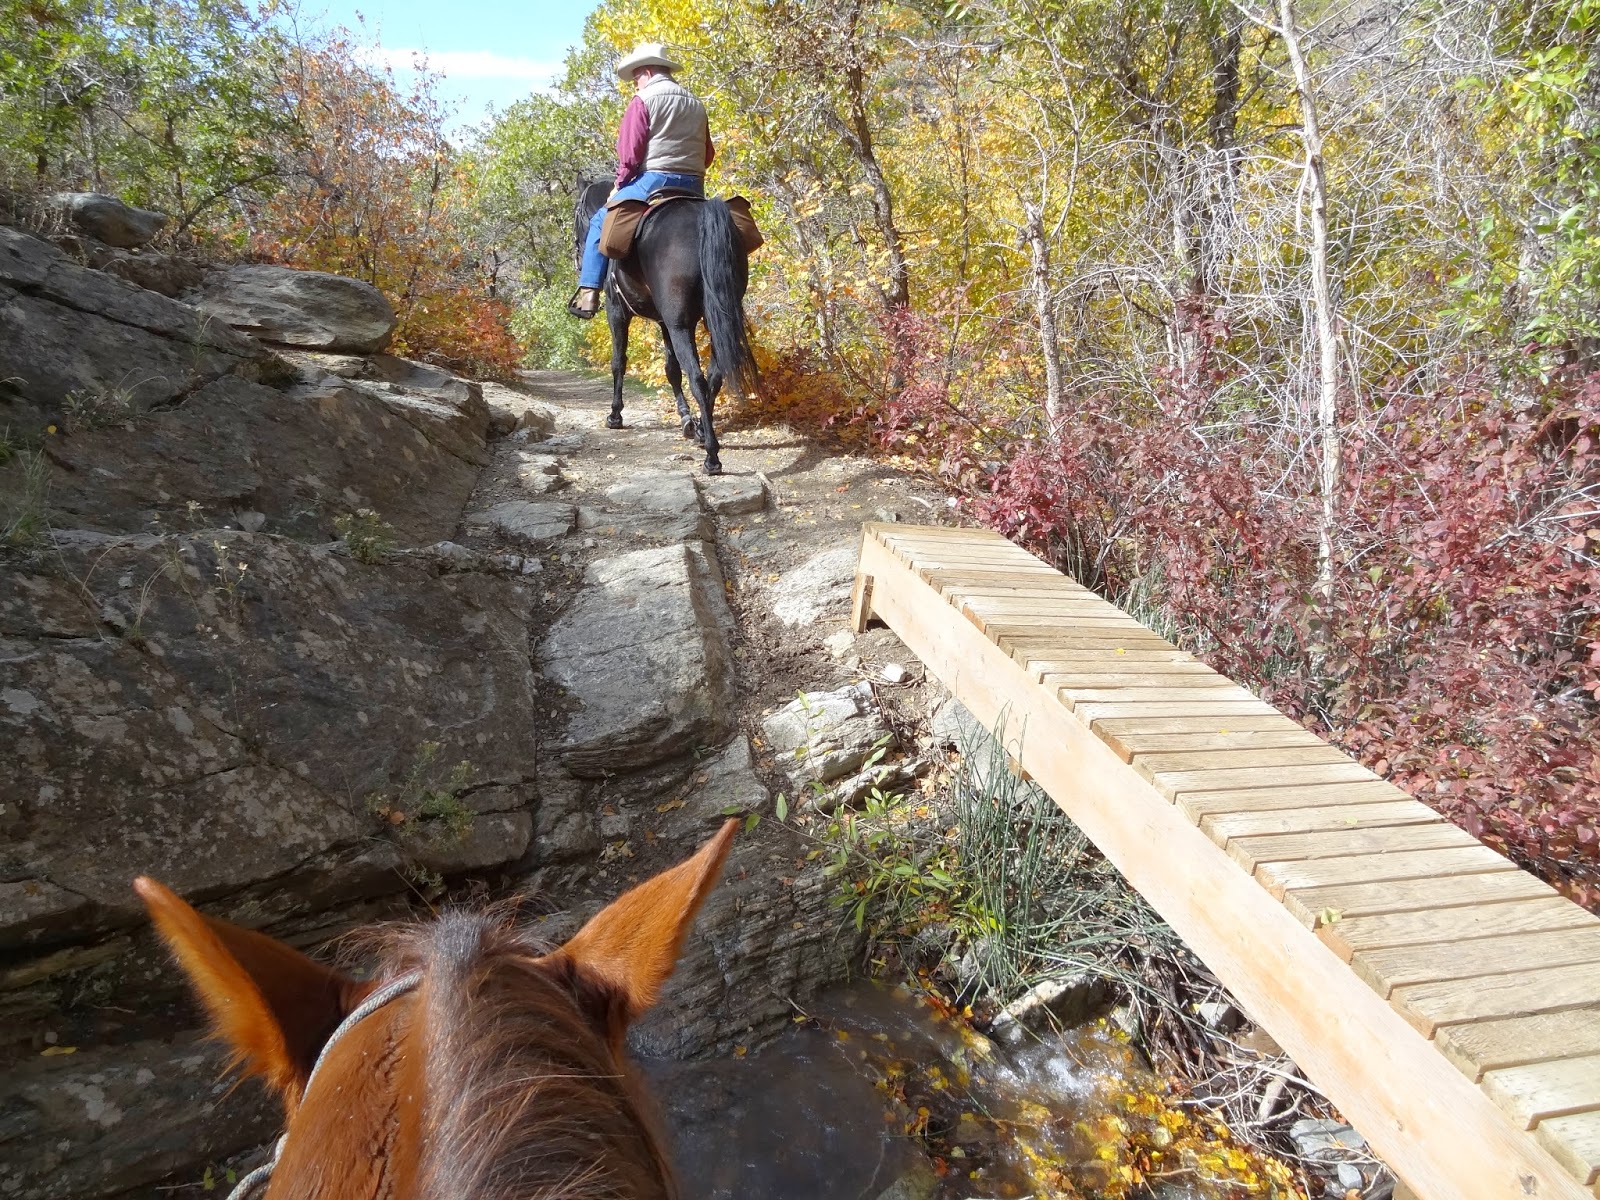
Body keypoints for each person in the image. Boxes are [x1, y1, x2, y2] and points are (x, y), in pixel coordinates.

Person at [569, 43, 715, 319]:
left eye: (636, 78)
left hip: (654, 180)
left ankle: (589, 293)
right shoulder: (695, 103)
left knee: (599, 220)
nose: (635, 84)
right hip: (695, 184)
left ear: (646, 72)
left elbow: (630, 156)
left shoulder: (643, 100)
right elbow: (708, 154)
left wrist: (619, 185)